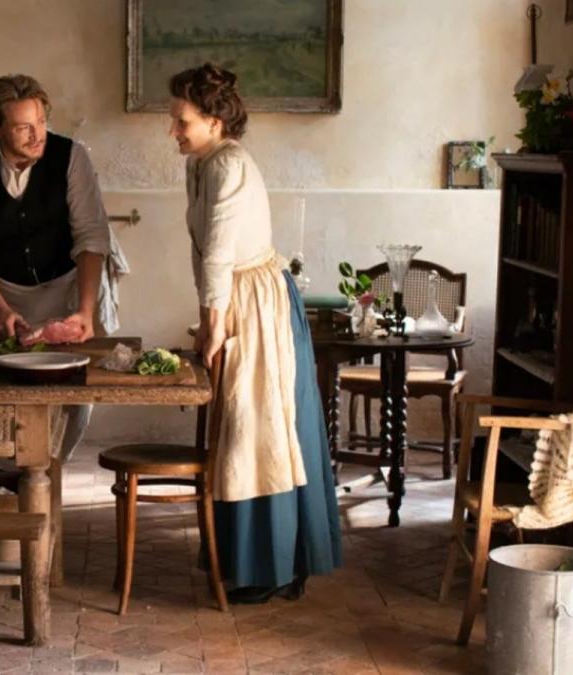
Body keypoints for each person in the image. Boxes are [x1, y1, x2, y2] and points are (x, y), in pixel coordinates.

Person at [168, 63, 341, 603]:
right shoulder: (203, 162)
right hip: (236, 298)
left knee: (260, 432)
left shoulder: (229, 165)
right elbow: (206, 255)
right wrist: (210, 316)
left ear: (216, 121)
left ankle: (279, 567)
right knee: (242, 434)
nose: (174, 131)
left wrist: (215, 325)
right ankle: (255, 560)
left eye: (182, 121)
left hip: (256, 304)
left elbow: (219, 252)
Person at [0, 73, 112, 461]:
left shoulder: (72, 158)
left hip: (68, 289)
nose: (37, 135)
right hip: (5, 294)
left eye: (41, 122)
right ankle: (17, 480)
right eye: (23, 127)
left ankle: (47, 476)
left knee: (71, 401)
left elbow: (91, 238)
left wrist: (86, 310)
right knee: (0, 396)